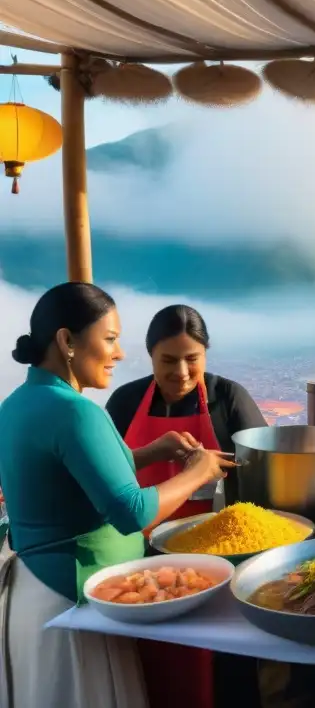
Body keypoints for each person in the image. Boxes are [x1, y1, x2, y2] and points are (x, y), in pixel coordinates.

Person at [0, 282, 231, 708]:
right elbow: (130, 511)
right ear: (67, 341)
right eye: (109, 339)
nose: (119, 353)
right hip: (71, 599)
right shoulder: (75, 410)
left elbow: (72, 475)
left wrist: (149, 453)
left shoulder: (18, 402)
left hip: (33, 593)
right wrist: (196, 472)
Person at [105, 304, 267, 708]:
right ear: (150, 357)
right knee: (160, 663)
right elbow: (108, 475)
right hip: (145, 560)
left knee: (228, 666)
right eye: (168, 360)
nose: (180, 372)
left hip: (223, 554)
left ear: (205, 355)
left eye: (192, 359)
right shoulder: (125, 402)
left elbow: (263, 469)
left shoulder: (228, 398)